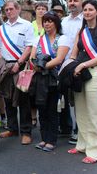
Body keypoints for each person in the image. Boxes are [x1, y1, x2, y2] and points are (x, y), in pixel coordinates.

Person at [67, 0, 97, 164]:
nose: (87, 12)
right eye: (85, 10)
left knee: (95, 114)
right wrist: (70, 65)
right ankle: (83, 145)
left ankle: (96, 151)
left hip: (95, 73)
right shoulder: (82, 31)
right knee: (81, 113)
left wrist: (83, 64)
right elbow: (74, 53)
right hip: (80, 74)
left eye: (91, 9)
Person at [0, 0, 35, 145]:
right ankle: (12, 128)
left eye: (11, 9)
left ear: (18, 10)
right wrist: (1, 64)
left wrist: (18, 63)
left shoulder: (27, 25)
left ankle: (26, 132)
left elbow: (29, 47)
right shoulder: (1, 28)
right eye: (6, 10)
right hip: (5, 66)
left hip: (21, 66)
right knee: (7, 98)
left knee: (23, 100)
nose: (9, 12)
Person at [29, 11, 70, 152]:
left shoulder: (63, 38)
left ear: (56, 23)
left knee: (52, 110)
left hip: (54, 78)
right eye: (45, 21)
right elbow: (32, 57)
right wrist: (37, 65)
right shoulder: (38, 39)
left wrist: (41, 66)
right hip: (39, 79)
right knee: (41, 109)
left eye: (50, 21)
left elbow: (59, 59)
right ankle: (43, 138)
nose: (47, 23)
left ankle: (51, 140)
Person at [61, 0, 84, 145]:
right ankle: (66, 128)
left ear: (81, 3)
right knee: (64, 99)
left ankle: (80, 131)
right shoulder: (63, 21)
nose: (72, 3)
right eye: (70, 1)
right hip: (63, 65)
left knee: (80, 101)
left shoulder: (87, 20)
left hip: (79, 65)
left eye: (75, 1)